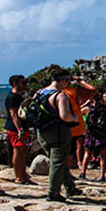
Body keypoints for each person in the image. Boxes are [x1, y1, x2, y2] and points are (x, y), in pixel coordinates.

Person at [36, 70, 82, 202]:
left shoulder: (39, 92)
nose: (68, 84)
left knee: (58, 161)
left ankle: (70, 187)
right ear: (61, 80)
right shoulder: (60, 95)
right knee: (57, 162)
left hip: (43, 132)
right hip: (59, 132)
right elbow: (64, 115)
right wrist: (74, 118)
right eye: (67, 81)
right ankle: (53, 192)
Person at [62, 76, 97, 178]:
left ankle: (63, 174)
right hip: (72, 126)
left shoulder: (50, 91)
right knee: (69, 151)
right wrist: (80, 81)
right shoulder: (72, 92)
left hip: (57, 126)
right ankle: (66, 174)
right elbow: (92, 90)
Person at [3, 74, 34, 185]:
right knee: (18, 150)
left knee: (24, 151)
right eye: (23, 83)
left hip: (23, 127)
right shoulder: (11, 97)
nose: (26, 85)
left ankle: (23, 174)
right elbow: (14, 115)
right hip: (15, 128)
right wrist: (19, 129)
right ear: (15, 84)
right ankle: (18, 177)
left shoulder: (20, 96)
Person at [81, 91, 106, 182]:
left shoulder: (87, 109)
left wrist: (86, 103)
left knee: (87, 153)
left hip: (91, 133)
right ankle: (102, 175)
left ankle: (83, 173)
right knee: (104, 155)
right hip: (104, 133)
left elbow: (76, 112)